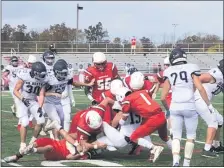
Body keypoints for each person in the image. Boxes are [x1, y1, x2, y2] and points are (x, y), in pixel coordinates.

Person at [161, 47, 213, 166]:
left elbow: (163, 97)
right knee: (190, 136)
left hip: (175, 106)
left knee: (176, 136)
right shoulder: (192, 67)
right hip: (189, 106)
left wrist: (168, 110)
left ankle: (175, 161)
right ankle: (186, 164)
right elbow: (200, 88)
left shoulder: (168, 71)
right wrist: (208, 105)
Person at [13, 62, 47, 153]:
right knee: (25, 123)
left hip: (32, 101)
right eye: (40, 74)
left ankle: (31, 143)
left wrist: (40, 106)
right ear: (35, 72)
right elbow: (15, 91)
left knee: (41, 120)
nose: (41, 76)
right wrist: (23, 99)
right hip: (22, 100)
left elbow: (41, 93)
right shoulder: (24, 75)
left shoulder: (43, 79)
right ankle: (22, 144)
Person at [194, 59, 223, 157]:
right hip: (200, 99)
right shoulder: (217, 74)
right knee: (213, 122)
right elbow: (199, 78)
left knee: (220, 120)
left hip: (204, 100)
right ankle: (207, 149)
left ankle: (216, 145)